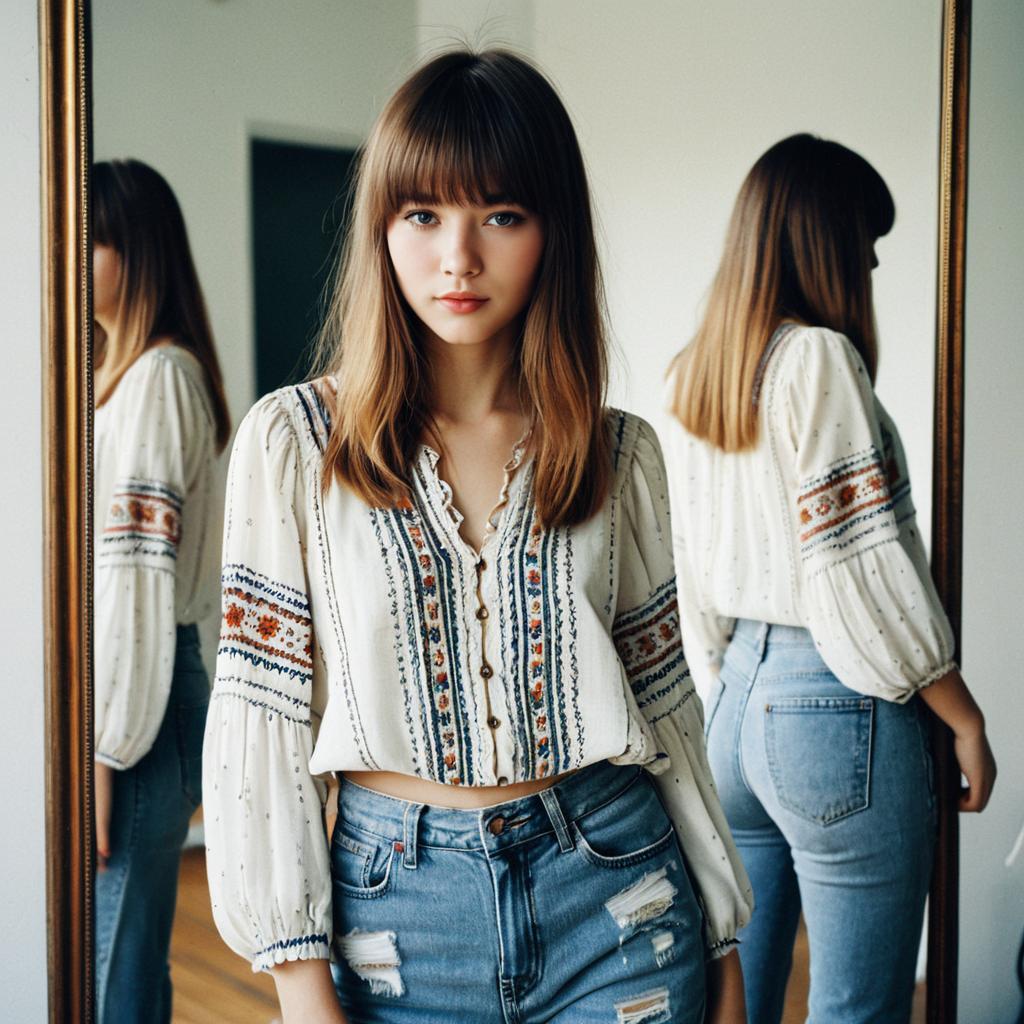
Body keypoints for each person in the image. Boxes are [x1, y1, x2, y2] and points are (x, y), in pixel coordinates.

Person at [203, 49, 752, 1023]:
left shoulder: (618, 454)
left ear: (552, 232)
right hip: (397, 922)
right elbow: (260, 717)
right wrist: (298, 980)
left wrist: (721, 932)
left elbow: (669, 707)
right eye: (422, 215)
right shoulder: (293, 444)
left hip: (617, 891)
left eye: (500, 214)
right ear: (382, 227)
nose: (457, 256)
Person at [664, 133, 997, 1023]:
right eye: (868, 250)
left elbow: (690, 567)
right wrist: (961, 713)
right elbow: (858, 565)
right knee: (858, 1009)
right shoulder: (815, 360)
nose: (872, 268)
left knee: (740, 1000)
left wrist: (726, 695)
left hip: (735, 706)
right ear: (828, 245)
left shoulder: (701, 374)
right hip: (834, 703)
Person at [92, 158, 231, 1023]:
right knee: (114, 963)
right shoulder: (124, 378)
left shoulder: (160, 381)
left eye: (91, 239)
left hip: (138, 705)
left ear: (134, 252)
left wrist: (107, 750)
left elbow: (137, 582)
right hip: (125, 697)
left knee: (116, 972)